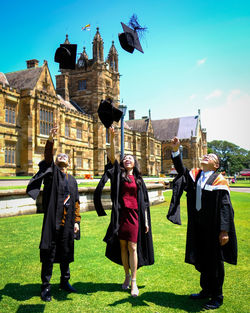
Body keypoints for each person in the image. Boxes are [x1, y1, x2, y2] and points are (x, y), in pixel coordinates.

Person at [167, 137, 237, 310]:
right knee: (203, 258)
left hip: (213, 228)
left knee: (215, 262)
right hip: (198, 227)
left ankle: (217, 296)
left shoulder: (219, 181)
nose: (206, 156)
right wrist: (176, 150)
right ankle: (205, 290)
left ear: (216, 165)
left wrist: (224, 230)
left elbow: (225, 207)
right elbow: (181, 171)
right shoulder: (196, 175)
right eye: (206, 155)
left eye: (211, 157)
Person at [94, 126, 154, 297]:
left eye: (130, 158)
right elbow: (112, 158)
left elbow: (144, 202)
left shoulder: (139, 180)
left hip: (135, 215)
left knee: (133, 246)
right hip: (120, 215)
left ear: (135, 163)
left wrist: (146, 221)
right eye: (125, 158)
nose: (127, 160)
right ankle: (126, 276)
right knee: (122, 246)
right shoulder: (118, 175)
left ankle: (134, 281)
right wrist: (112, 138)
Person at [27, 126, 81, 302]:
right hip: (53, 223)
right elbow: (48, 157)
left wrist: (77, 221)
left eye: (66, 156)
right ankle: (45, 287)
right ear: (56, 162)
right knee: (49, 254)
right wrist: (50, 139)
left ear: (70, 163)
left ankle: (65, 282)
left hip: (67, 222)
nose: (63, 157)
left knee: (66, 252)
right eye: (60, 156)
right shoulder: (52, 174)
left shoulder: (73, 181)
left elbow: (77, 203)